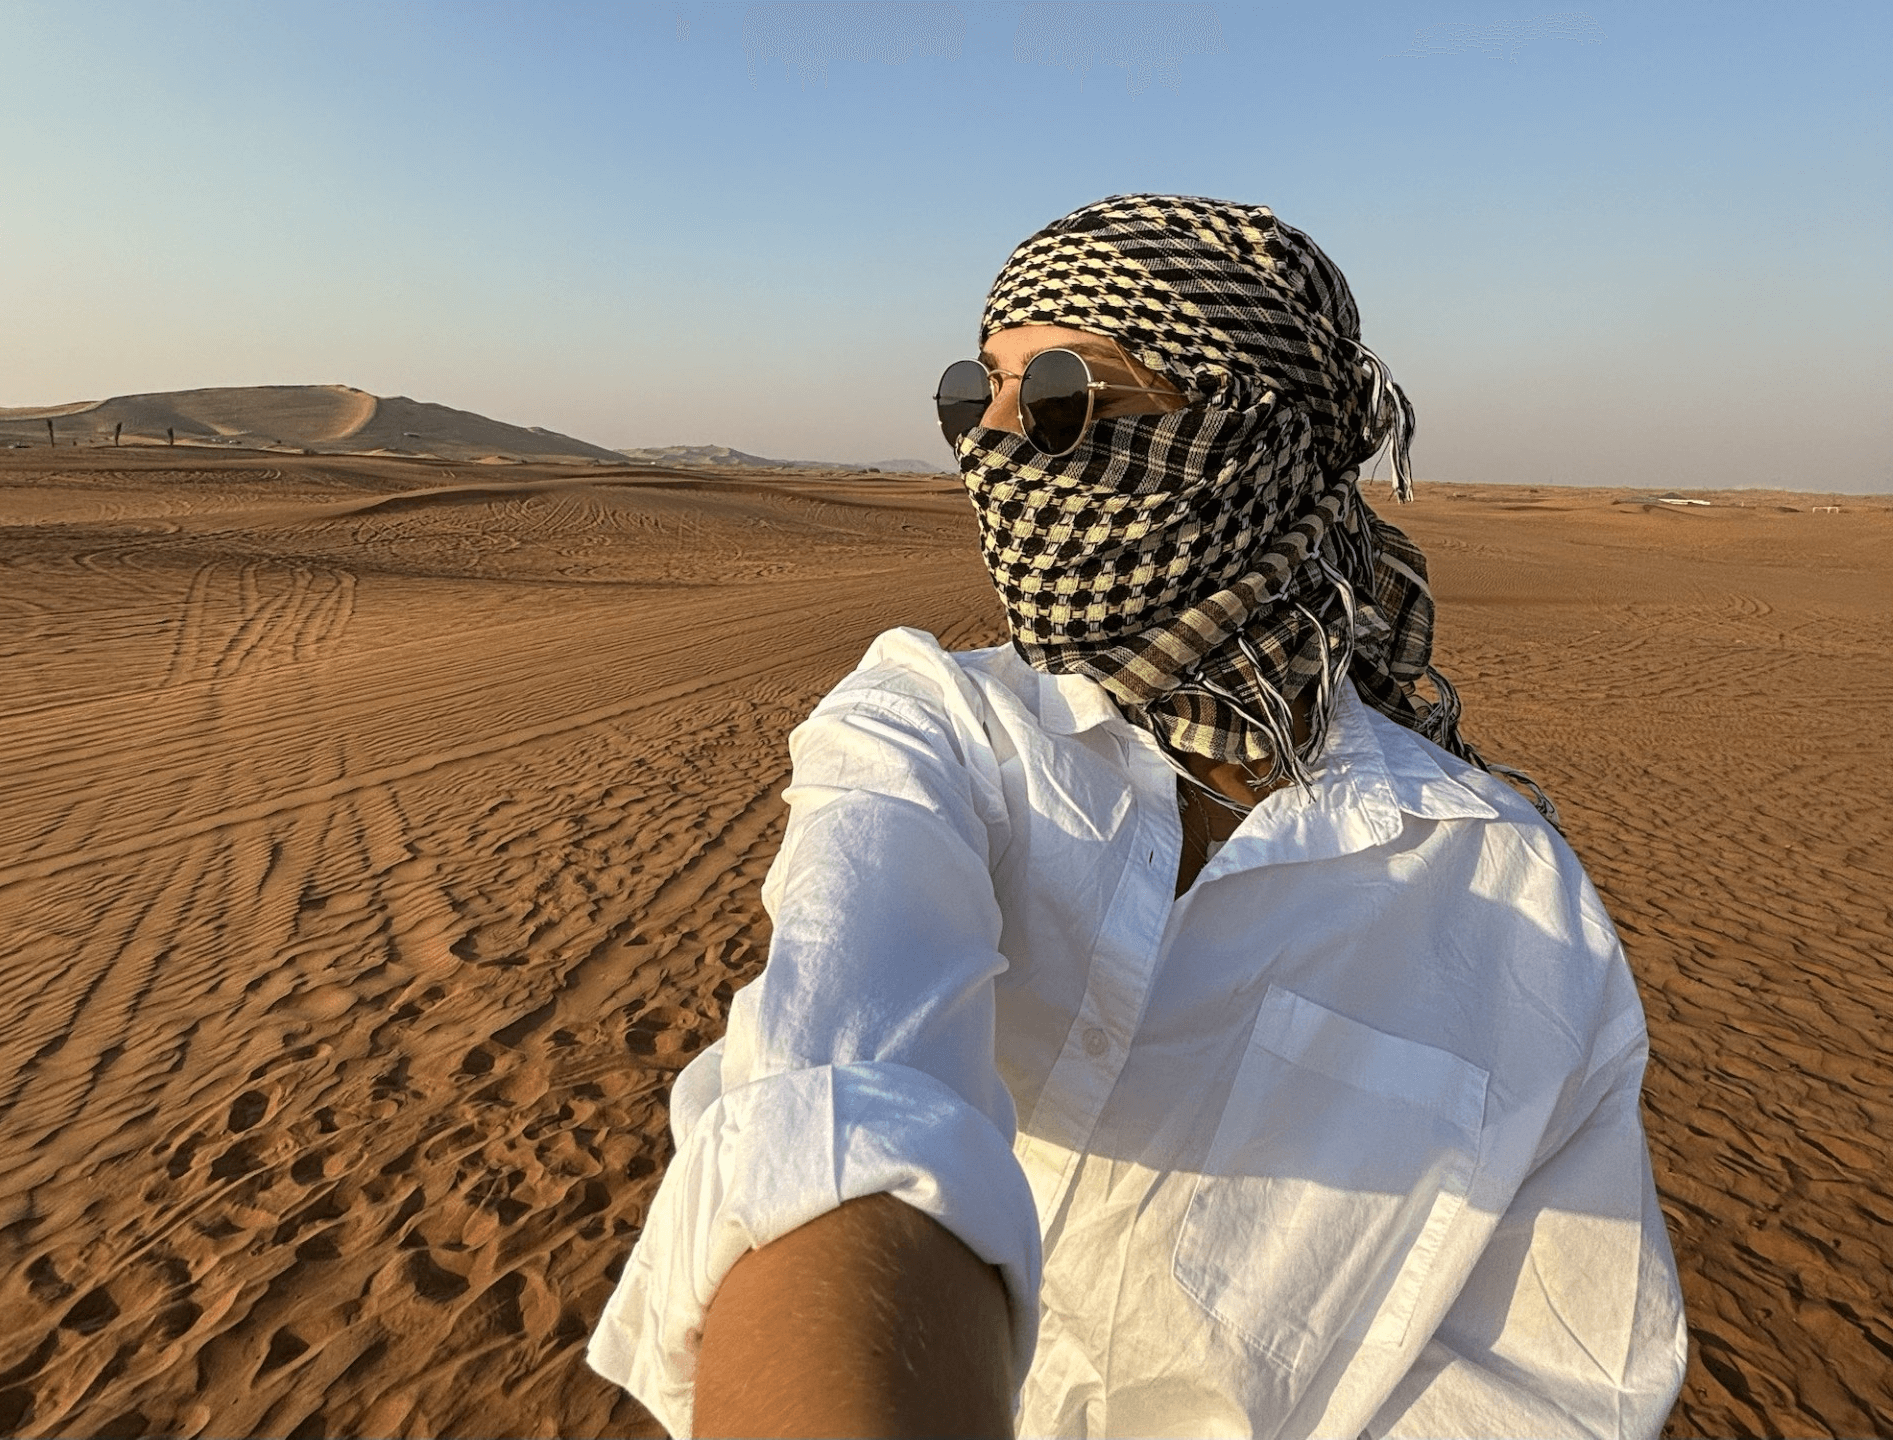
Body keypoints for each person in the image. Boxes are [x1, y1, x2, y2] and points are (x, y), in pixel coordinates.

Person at [586, 194, 1688, 1438]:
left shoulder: (1507, 899)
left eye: (1065, 395)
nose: (992, 442)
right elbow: (835, 1106)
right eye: (974, 391)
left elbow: (1550, 1389)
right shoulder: (935, 727)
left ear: (1246, 435)